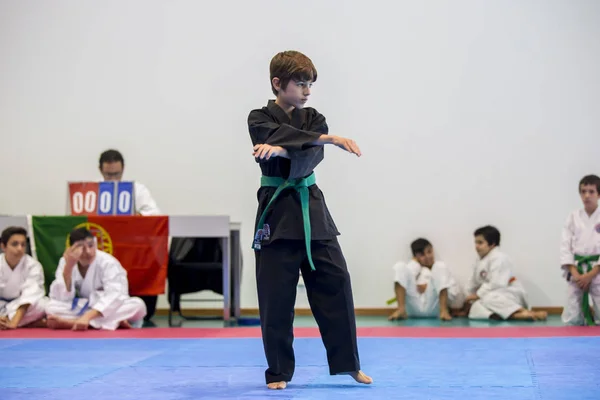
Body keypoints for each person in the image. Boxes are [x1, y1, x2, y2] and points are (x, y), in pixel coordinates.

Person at [248, 50, 372, 390]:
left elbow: (310, 156)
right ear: (278, 83)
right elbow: (270, 138)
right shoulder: (258, 117)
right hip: (275, 212)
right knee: (276, 297)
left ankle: (349, 363)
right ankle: (278, 372)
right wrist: (329, 140)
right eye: (300, 84)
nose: (306, 91)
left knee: (337, 283)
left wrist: (289, 148)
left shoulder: (314, 117)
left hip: (313, 210)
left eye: (310, 85)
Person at [99, 148, 160, 322]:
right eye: (108, 175)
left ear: (123, 169)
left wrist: (133, 217)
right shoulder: (92, 190)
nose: (112, 180)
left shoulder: (136, 190)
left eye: (116, 174)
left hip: (131, 251)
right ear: (100, 170)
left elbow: (155, 215)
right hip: (104, 248)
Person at [45, 227, 147, 330]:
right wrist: (68, 268)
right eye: (82, 248)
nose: (88, 252)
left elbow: (117, 295)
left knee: (138, 305)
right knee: (51, 307)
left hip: (105, 308)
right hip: (85, 306)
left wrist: (87, 317)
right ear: (71, 249)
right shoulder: (66, 261)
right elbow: (62, 298)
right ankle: (113, 322)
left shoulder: (108, 262)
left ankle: (73, 323)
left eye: (91, 246)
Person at [466, 225, 547, 321]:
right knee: (475, 307)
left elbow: (496, 284)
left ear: (492, 244)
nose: (476, 246)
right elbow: (473, 283)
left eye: (480, 243)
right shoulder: (479, 261)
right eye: (475, 242)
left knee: (488, 299)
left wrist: (477, 295)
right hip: (492, 294)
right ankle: (518, 315)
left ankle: (523, 311)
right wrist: (468, 298)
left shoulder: (500, 258)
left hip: (508, 293)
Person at [388, 238, 465, 321]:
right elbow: (403, 280)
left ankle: (444, 311)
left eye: (429, 252)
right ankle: (401, 310)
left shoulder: (440, 268)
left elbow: (453, 294)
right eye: (422, 255)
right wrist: (415, 264)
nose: (428, 256)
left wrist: (431, 287)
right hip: (413, 308)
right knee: (400, 266)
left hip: (435, 308)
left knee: (440, 265)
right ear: (415, 256)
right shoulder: (412, 268)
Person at [560, 174, 600, 325]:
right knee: (572, 317)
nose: (586, 195)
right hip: (576, 269)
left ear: (599, 194)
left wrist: (591, 274)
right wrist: (575, 273)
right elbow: (565, 246)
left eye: (591, 191)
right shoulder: (573, 217)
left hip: (598, 270)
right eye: (583, 191)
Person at [0, 226, 48, 329]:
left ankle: (7, 321)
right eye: (15, 244)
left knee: (43, 305)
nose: (20, 248)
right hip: (1, 305)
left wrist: (14, 323)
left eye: (23, 245)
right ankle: (30, 323)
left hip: (22, 307)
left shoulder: (33, 265)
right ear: (3, 246)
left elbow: (30, 295)